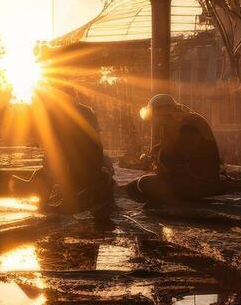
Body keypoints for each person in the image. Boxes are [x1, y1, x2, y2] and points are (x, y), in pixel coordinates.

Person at [22, 85, 114, 216]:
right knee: (46, 171)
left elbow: (55, 154)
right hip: (93, 171)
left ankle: (47, 206)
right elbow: (96, 147)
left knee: (43, 174)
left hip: (80, 172)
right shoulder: (86, 111)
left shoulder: (57, 116)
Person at [125, 93, 227, 205]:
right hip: (189, 180)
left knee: (145, 183)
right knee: (132, 187)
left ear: (160, 114)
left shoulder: (187, 125)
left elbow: (179, 161)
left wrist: (161, 159)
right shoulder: (179, 123)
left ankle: (179, 206)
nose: (154, 123)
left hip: (200, 183)